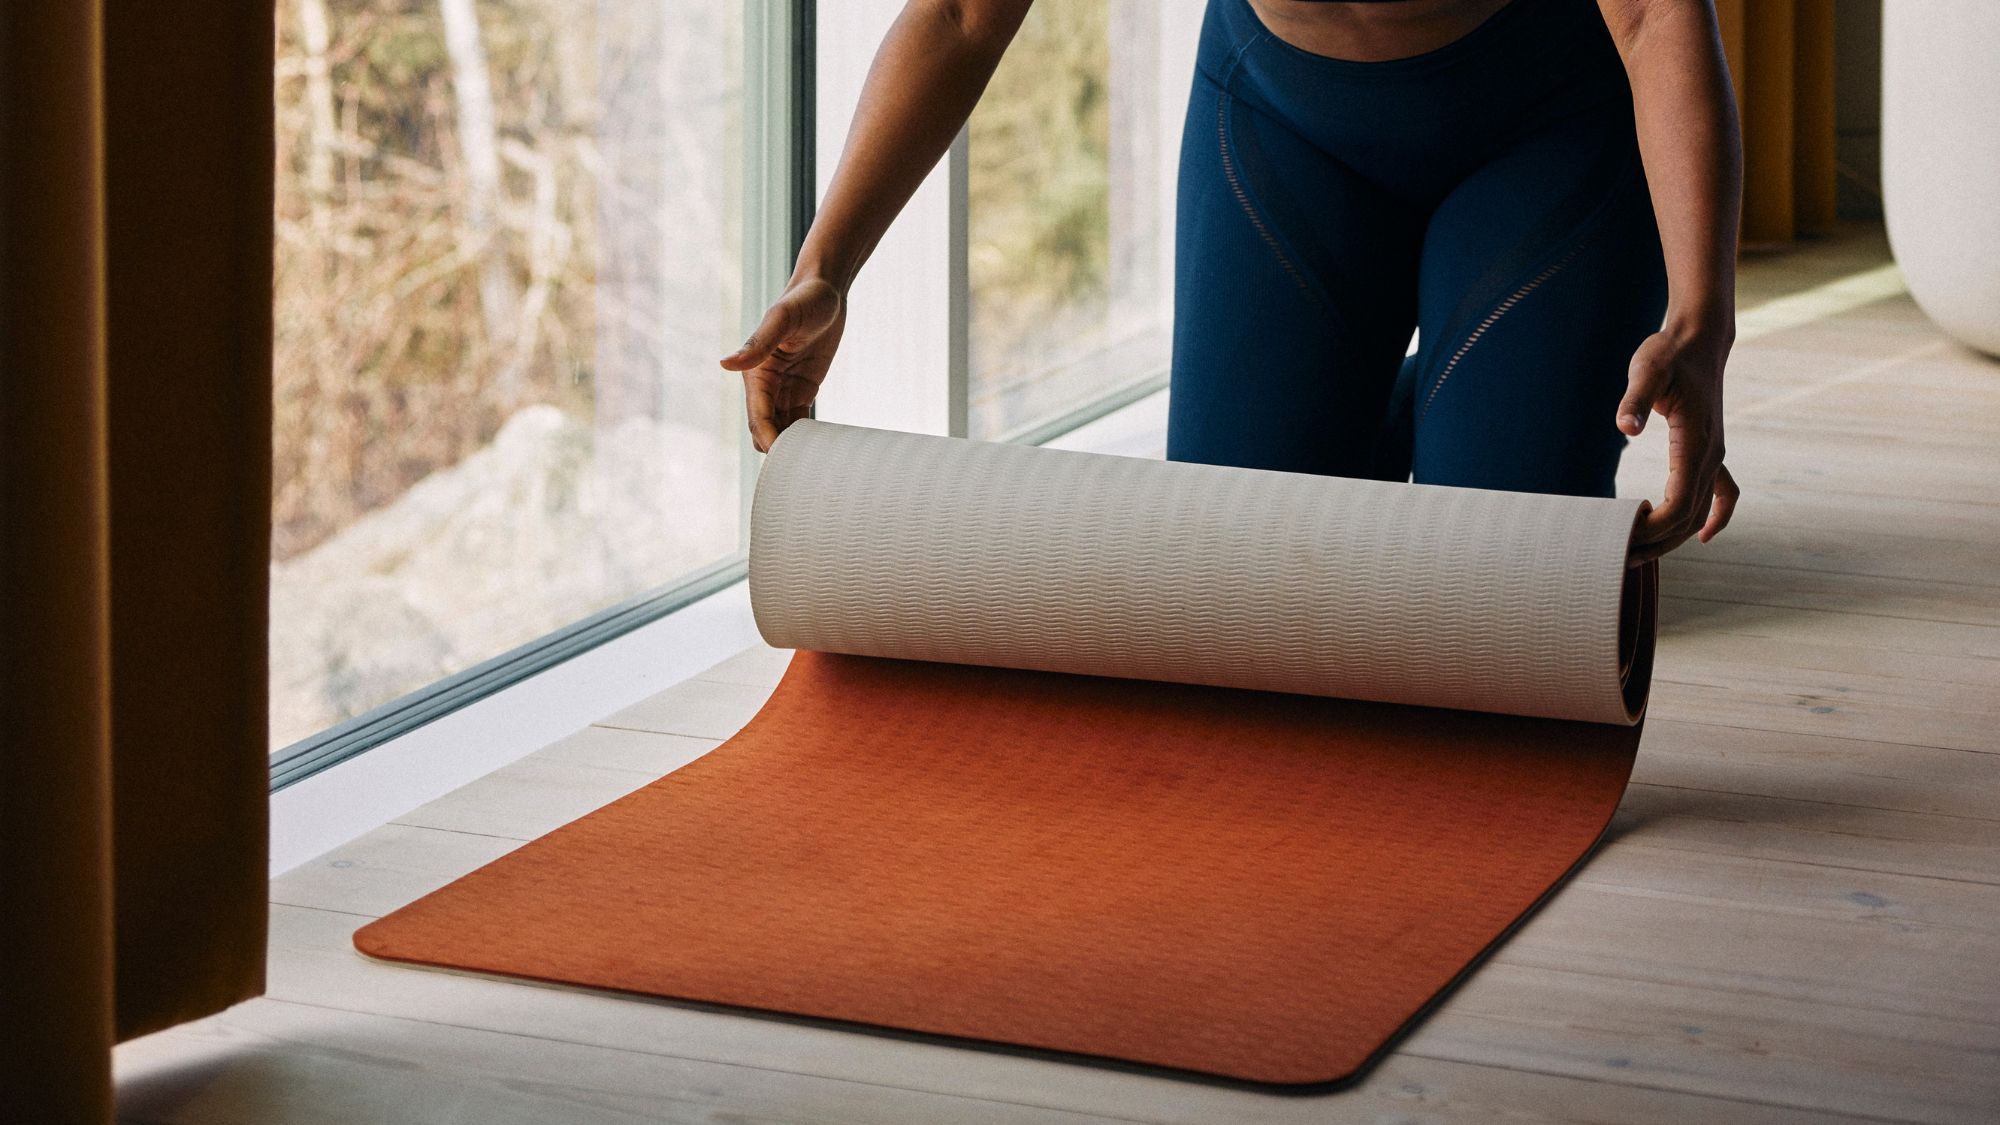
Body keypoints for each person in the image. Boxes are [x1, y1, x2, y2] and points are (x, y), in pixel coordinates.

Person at [720, 0, 1742, 562]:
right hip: (1280, 119)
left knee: (1500, 571)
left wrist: (1699, 321)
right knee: (1231, 570)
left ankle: (1497, 390)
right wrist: (827, 270)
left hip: (1547, 124)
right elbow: (957, 13)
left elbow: (1656, 14)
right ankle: (1437, 401)